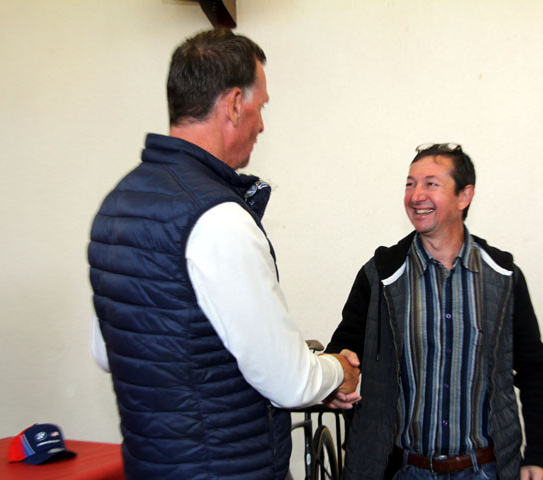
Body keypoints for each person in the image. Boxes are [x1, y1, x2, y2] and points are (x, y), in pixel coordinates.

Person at [87, 29, 360, 480]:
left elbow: (107, 350)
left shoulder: (117, 205)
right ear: (234, 104)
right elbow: (289, 381)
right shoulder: (218, 218)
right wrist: (336, 371)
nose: (262, 124)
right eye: (261, 107)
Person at [325, 143, 543, 479]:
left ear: (464, 196)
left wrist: (539, 455)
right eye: (410, 184)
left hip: (484, 469)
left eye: (431, 184)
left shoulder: (503, 277)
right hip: (403, 470)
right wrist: (336, 377)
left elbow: (535, 370)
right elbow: (345, 347)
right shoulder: (380, 275)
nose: (416, 196)